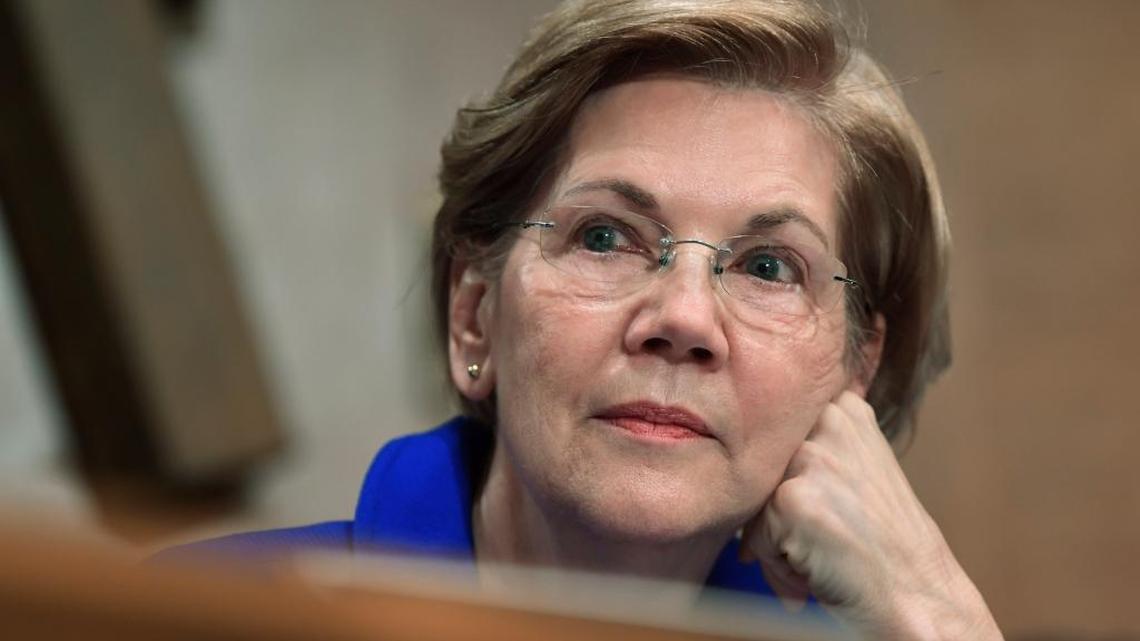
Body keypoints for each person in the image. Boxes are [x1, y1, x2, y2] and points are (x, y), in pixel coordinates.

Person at [166, 1, 1003, 638]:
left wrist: (935, 611)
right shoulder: (191, 614)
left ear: (854, 371)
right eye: (605, 236)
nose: (684, 317)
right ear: (474, 315)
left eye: (768, 267)